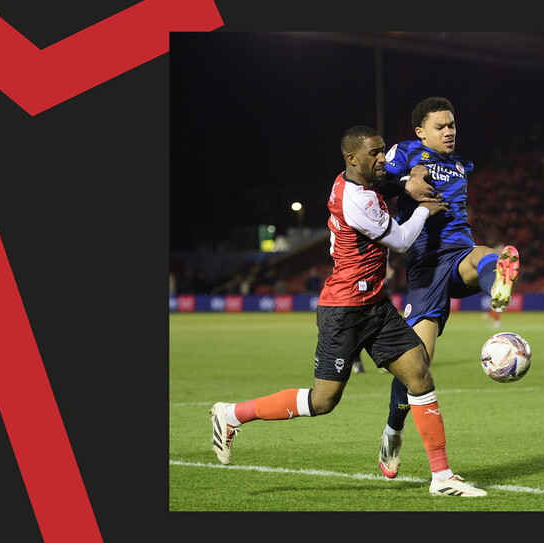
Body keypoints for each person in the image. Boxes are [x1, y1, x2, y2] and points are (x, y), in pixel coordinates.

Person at [209, 125, 486, 497]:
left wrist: (411, 179)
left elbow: (391, 182)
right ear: (352, 158)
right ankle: (231, 414)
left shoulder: (363, 182)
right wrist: (423, 209)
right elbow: (402, 241)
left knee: (419, 374)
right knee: (323, 401)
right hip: (344, 310)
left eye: (383, 150)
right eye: (375, 153)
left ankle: (442, 476)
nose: (383, 158)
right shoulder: (356, 200)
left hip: (376, 306)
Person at [373, 96, 521, 479]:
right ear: (420, 131)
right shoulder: (406, 152)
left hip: (457, 254)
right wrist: (406, 182)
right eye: (440, 126)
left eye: (452, 124)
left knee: (485, 254)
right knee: (416, 365)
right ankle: (392, 431)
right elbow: (377, 181)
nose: (449, 131)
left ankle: (496, 286)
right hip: (425, 265)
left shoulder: (461, 164)